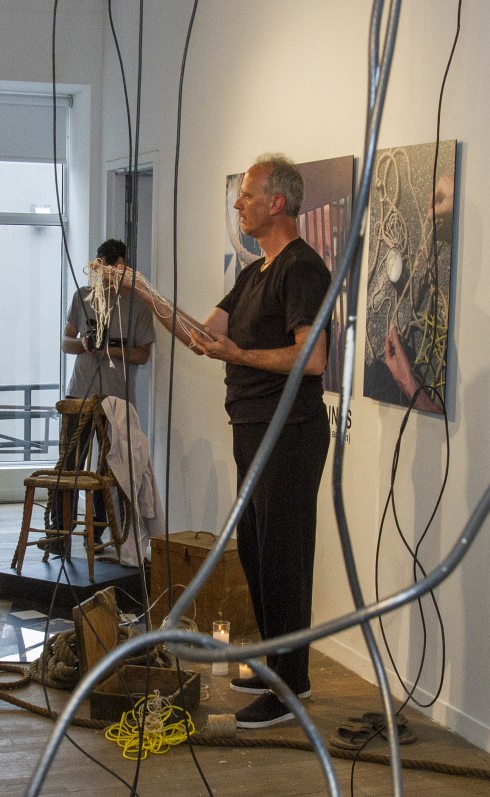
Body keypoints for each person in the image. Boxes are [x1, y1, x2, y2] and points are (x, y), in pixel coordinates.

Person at [102, 154, 331, 729]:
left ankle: (290, 686)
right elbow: (203, 337)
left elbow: (314, 357)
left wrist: (242, 356)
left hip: (290, 433)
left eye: (247, 195)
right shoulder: (254, 274)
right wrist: (141, 289)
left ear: (276, 203)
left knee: (283, 557)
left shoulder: (301, 269)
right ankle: (277, 666)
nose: (238, 203)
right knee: (256, 554)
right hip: (252, 430)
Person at [58, 239, 155, 550]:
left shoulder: (139, 306)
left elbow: (143, 354)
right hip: (79, 394)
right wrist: (85, 345)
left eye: (108, 270)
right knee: (69, 464)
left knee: (109, 467)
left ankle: (101, 533)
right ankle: (60, 533)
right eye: (98, 270)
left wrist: (111, 349)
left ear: (121, 265)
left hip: (115, 401)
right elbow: (65, 342)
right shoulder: (82, 297)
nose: (102, 277)